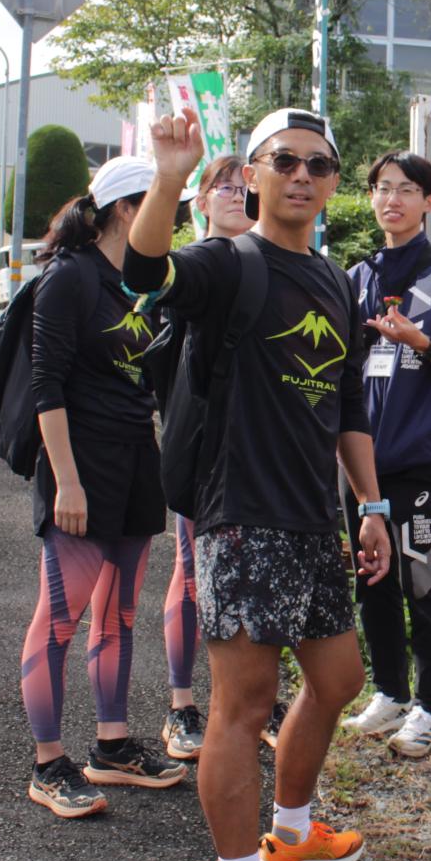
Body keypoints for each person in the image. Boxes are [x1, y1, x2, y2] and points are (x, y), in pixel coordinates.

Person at [126, 105, 391, 861]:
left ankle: (295, 829)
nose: (303, 174)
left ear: (334, 181)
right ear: (253, 172)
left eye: (319, 162)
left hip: (315, 516)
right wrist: (170, 177)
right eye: (285, 160)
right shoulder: (224, 263)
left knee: (341, 677)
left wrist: (372, 504)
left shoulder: (336, 283)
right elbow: (142, 270)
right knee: (240, 707)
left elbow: (347, 401)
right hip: (241, 513)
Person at [20, 156, 191, 817]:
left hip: (135, 461)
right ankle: (48, 763)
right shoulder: (69, 279)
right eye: (164, 208)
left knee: (118, 613)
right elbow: (46, 384)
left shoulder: (145, 284)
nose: (173, 223)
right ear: (128, 210)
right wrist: (65, 479)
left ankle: (111, 746)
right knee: (59, 618)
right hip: (81, 465)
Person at [341, 151, 431, 759]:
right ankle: (389, 694)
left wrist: (421, 341)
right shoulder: (357, 278)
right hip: (361, 463)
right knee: (372, 579)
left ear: (429, 202)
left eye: (406, 189)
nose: (391, 200)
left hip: (418, 458)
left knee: (422, 581)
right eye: (381, 188)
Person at [158, 152, 249, 763]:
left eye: (246, 187)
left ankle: (243, 703)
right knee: (193, 575)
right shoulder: (193, 268)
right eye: (224, 187)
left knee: (248, 582)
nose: (238, 195)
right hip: (203, 453)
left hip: (260, 451)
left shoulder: (272, 264)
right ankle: (182, 706)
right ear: (201, 201)